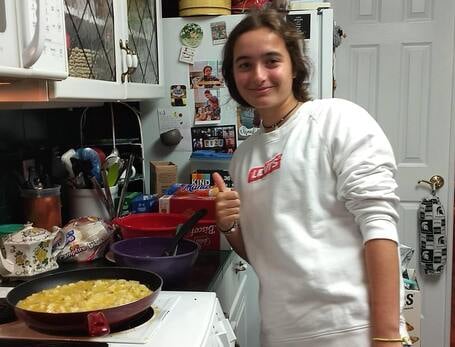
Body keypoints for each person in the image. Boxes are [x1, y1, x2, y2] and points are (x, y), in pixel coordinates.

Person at [212, 8, 410, 347]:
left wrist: (387, 337)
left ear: (294, 67)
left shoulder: (337, 119)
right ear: (233, 76)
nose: (258, 75)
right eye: (245, 64)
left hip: (355, 331)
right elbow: (268, 254)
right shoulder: (243, 158)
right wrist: (230, 227)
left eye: (271, 60)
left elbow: (379, 226)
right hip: (279, 334)